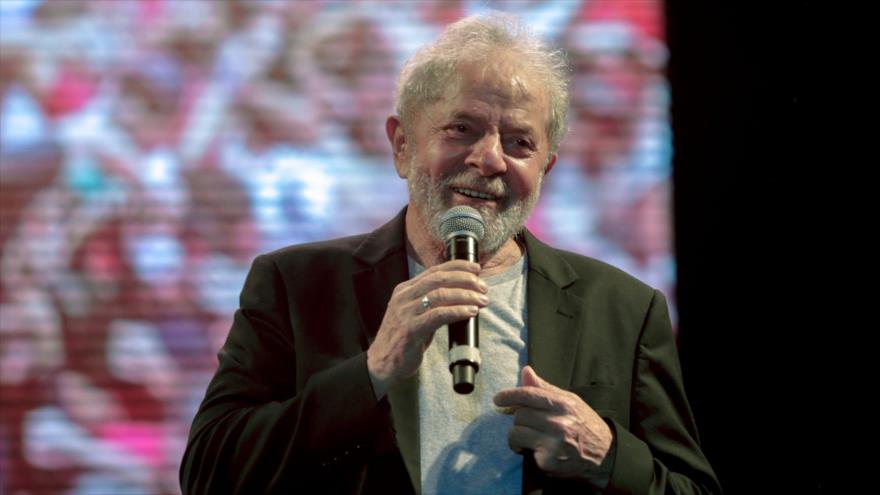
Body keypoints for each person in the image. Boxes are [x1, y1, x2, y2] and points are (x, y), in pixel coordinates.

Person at [180, 12, 720, 495]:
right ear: (402, 146)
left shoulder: (624, 308)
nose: (489, 159)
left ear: (546, 169)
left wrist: (607, 457)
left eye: (520, 143)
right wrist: (371, 372)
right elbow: (208, 473)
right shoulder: (295, 284)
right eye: (461, 129)